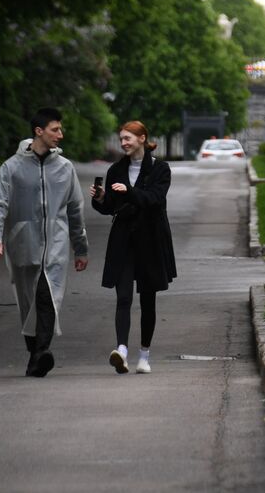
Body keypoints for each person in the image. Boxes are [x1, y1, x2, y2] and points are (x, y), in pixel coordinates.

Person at [0, 107, 89, 377]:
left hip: (55, 247)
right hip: (23, 244)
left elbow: (76, 210)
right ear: (38, 131)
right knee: (28, 303)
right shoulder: (12, 167)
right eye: (55, 129)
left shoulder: (65, 169)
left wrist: (80, 247)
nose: (60, 135)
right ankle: (35, 355)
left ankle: (42, 352)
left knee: (48, 297)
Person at [91, 120, 177, 374]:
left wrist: (128, 192)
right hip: (124, 239)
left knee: (148, 299)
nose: (123, 143)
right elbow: (110, 209)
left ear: (142, 138)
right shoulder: (116, 169)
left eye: (128, 138)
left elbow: (154, 199)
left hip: (151, 240)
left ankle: (144, 355)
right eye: (121, 139)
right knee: (124, 296)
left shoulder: (160, 169)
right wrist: (101, 198)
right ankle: (122, 351)